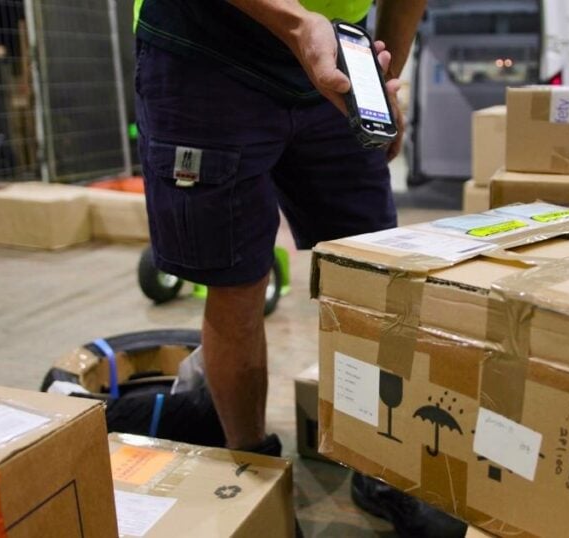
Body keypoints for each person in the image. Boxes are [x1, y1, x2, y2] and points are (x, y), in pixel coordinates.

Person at [133, 0, 465, 535]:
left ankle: (378, 461)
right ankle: (253, 473)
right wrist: (293, 22)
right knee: (237, 279)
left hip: (335, 54)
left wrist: (384, 86)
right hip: (209, 47)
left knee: (373, 271)